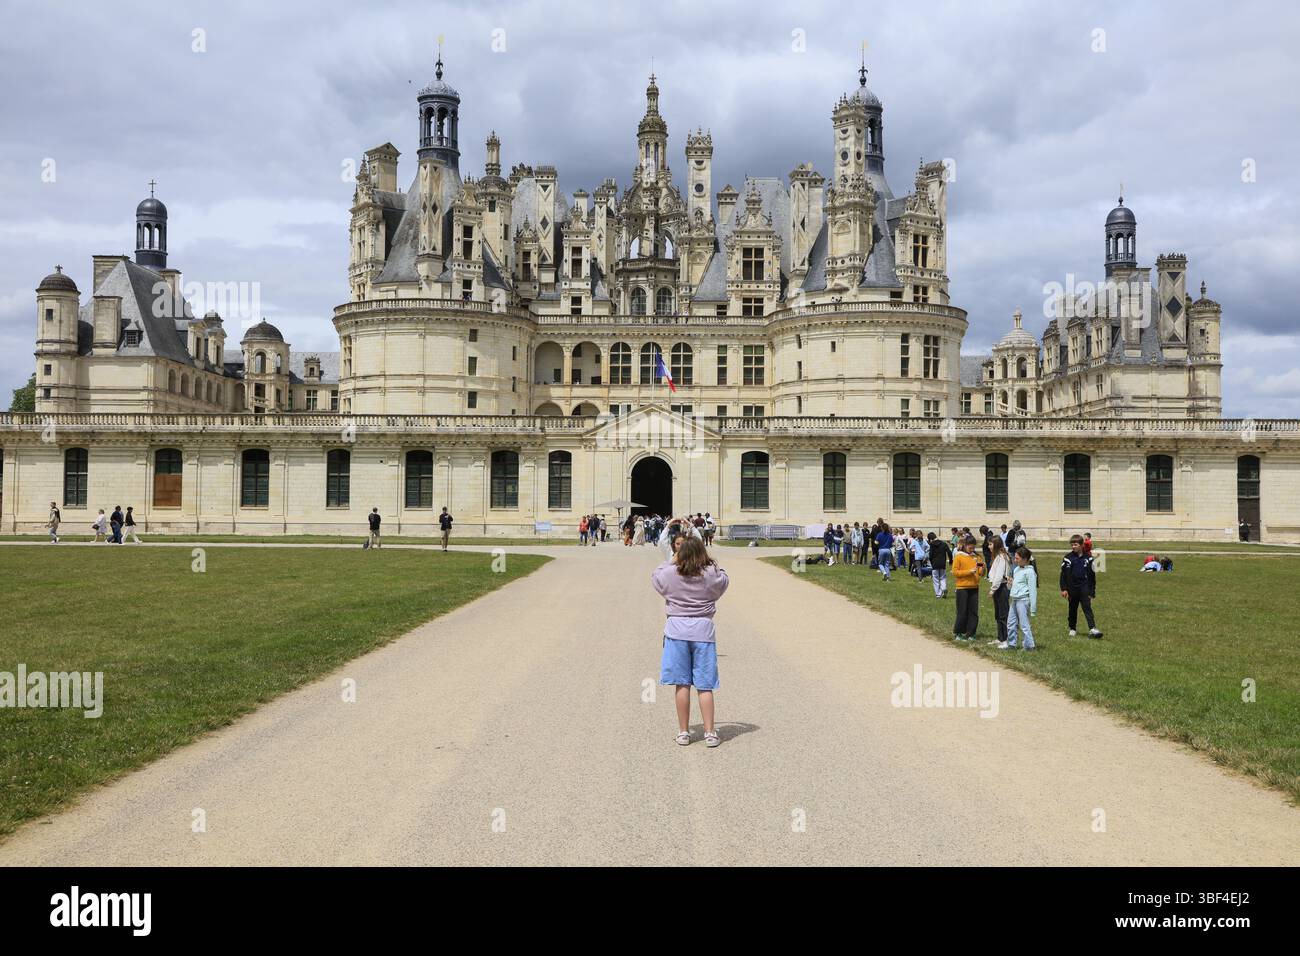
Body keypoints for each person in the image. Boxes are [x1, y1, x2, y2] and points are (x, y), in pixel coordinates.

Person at [654, 535, 729, 748]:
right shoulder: (710, 575)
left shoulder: (671, 574)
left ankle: (684, 731)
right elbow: (723, 578)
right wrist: (711, 563)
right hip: (702, 631)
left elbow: (656, 576)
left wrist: (672, 559)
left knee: (682, 684)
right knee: (705, 686)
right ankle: (710, 732)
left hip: (677, 630)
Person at [1059, 534, 1103, 638]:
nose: (1073, 546)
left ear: (1082, 545)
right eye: (1072, 545)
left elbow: (1092, 576)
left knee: (1087, 608)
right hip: (1072, 588)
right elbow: (1063, 575)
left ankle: (1092, 628)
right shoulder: (1067, 558)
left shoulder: (1088, 558)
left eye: (1076, 544)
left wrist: (1092, 592)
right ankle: (1072, 628)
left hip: (1084, 587)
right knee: (1072, 609)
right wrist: (1064, 589)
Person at [952, 535, 985, 640]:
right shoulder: (959, 557)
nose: (972, 550)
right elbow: (955, 572)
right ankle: (959, 632)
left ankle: (971, 633)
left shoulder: (977, 557)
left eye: (973, 548)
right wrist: (968, 572)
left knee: (973, 611)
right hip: (962, 587)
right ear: (965, 546)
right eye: (970, 548)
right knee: (962, 611)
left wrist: (983, 569)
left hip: (974, 587)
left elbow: (981, 573)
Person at [1004, 547, 1037, 650]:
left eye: (1017, 558)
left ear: (1025, 559)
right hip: (1014, 599)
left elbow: (1032, 590)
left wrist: (1033, 608)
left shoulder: (1030, 572)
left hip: (1023, 601)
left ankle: (1029, 645)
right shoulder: (1017, 569)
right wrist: (1009, 584)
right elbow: (1013, 586)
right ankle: (1012, 644)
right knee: (1011, 623)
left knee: (1024, 624)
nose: (1015, 560)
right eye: (1015, 558)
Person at [987, 536, 1011, 648]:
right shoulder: (997, 556)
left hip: (1001, 588)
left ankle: (1006, 639)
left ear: (996, 545)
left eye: (990, 544)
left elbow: (999, 576)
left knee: (1003, 615)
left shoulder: (1002, 557)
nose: (989, 546)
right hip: (998, 588)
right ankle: (1000, 638)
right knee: (998, 614)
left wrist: (992, 590)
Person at [927, 531, 951, 598]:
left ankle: (938, 594)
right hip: (942, 563)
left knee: (936, 579)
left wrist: (931, 562)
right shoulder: (943, 543)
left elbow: (930, 555)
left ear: (930, 539)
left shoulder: (931, 545)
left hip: (935, 564)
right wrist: (951, 561)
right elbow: (949, 552)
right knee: (943, 577)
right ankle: (944, 588)